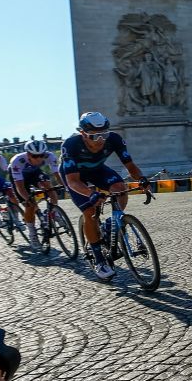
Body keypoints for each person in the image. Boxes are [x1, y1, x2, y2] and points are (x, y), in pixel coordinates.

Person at [61, 112, 148, 280]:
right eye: (94, 136)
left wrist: (141, 179)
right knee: (89, 212)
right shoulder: (70, 145)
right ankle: (98, 259)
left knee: (120, 187)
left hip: (97, 169)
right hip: (75, 176)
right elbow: (72, 182)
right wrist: (90, 193)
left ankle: (112, 221)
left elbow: (130, 165)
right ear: (83, 134)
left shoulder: (114, 139)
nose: (101, 140)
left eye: (104, 134)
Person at [8, 140, 59, 250]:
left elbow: (57, 175)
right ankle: (32, 234)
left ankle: (51, 213)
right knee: (30, 205)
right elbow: (20, 187)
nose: (39, 158)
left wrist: (66, 186)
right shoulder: (17, 161)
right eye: (35, 156)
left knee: (50, 189)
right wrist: (27, 199)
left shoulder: (50, 156)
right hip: (20, 178)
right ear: (28, 154)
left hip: (34, 172)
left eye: (41, 155)